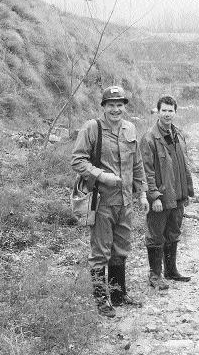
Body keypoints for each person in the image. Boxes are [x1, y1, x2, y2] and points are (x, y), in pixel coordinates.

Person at [71, 85, 150, 318]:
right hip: (103, 201)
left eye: (120, 105)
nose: (116, 109)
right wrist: (101, 175)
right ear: (103, 106)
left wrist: (142, 193)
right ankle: (101, 300)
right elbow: (77, 160)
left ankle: (118, 294)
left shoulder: (130, 128)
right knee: (100, 252)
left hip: (125, 202)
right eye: (111, 105)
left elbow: (137, 163)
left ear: (125, 107)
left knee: (121, 249)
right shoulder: (92, 128)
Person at [140, 95, 194, 290]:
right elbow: (147, 171)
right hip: (161, 198)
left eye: (171, 110)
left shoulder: (178, 134)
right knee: (156, 235)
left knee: (173, 233)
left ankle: (171, 271)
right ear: (158, 111)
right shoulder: (149, 138)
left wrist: (186, 192)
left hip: (178, 195)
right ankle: (155, 276)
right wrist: (153, 196)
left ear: (175, 112)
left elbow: (184, 165)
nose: (167, 114)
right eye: (164, 110)